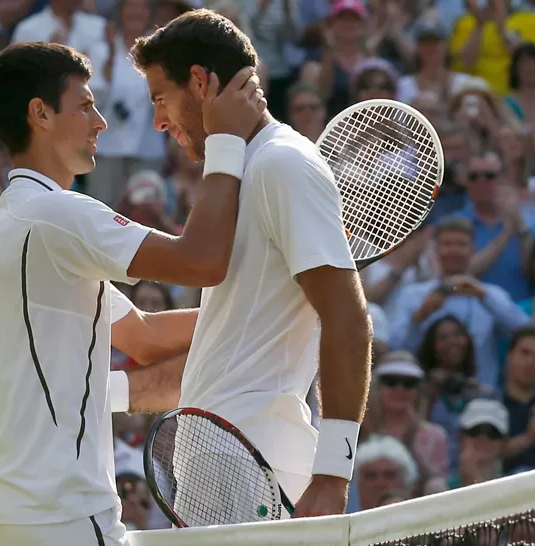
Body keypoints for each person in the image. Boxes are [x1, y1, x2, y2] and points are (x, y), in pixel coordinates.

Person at [0, 41, 267, 545]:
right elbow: (201, 261)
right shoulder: (61, 214)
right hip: (55, 515)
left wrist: (265, 320)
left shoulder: (16, 220)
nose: (101, 121)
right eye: (85, 105)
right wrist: (226, 140)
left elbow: (143, 337)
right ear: (40, 114)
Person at [129, 8, 372, 519]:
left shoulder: (283, 163)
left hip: (246, 458)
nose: (158, 121)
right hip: (221, 456)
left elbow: (348, 318)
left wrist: (332, 475)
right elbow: (230, 345)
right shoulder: (246, 167)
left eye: (160, 99)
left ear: (199, 82)